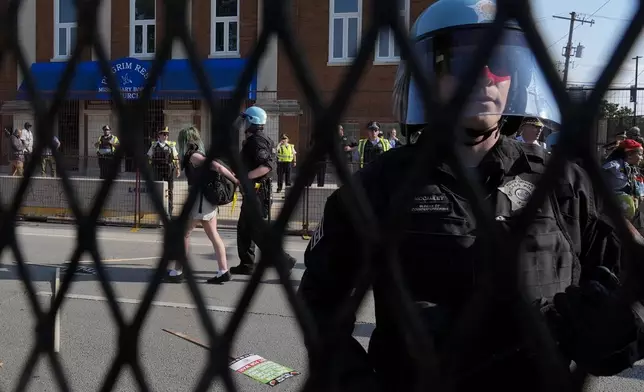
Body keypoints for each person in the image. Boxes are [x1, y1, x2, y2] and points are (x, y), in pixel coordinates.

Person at [298, 1, 644, 391]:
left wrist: (618, 332)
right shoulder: (382, 185)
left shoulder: (564, 182)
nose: (486, 76)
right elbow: (320, 302)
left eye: (501, 64)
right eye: (462, 60)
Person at [165, 126, 239, 284]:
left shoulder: (193, 155)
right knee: (213, 235)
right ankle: (223, 270)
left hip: (199, 200)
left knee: (183, 234)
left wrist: (236, 180)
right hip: (206, 200)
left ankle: (179, 270)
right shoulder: (198, 152)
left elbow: (217, 167)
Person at [230, 106, 297, 275]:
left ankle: (283, 260)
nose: (243, 123)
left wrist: (245, 176)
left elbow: (267, 166)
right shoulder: (259, 139)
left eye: (246, 120)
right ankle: (246, 264)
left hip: (257, 192)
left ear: (253, 121)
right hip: (255, 192)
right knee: (245, 229)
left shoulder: (256, 141)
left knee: (256, 231)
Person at [602, 139, 644, 221]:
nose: (642, 158)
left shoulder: (634, 170)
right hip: (613, 215)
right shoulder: (612, 167)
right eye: (640, 154)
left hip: (630, 215)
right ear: (629, 154)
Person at [147, 127, 181, 216]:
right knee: (158, 188)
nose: (166, 136)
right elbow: (149, 156)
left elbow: (176, 158)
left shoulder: (171, 145)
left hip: (168, 170)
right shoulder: (154, 145)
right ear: (159, 135)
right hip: (157, 169)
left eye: (167, 134)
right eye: (163, 134)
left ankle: (169, 210)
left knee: (169, 190)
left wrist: (178, 169)